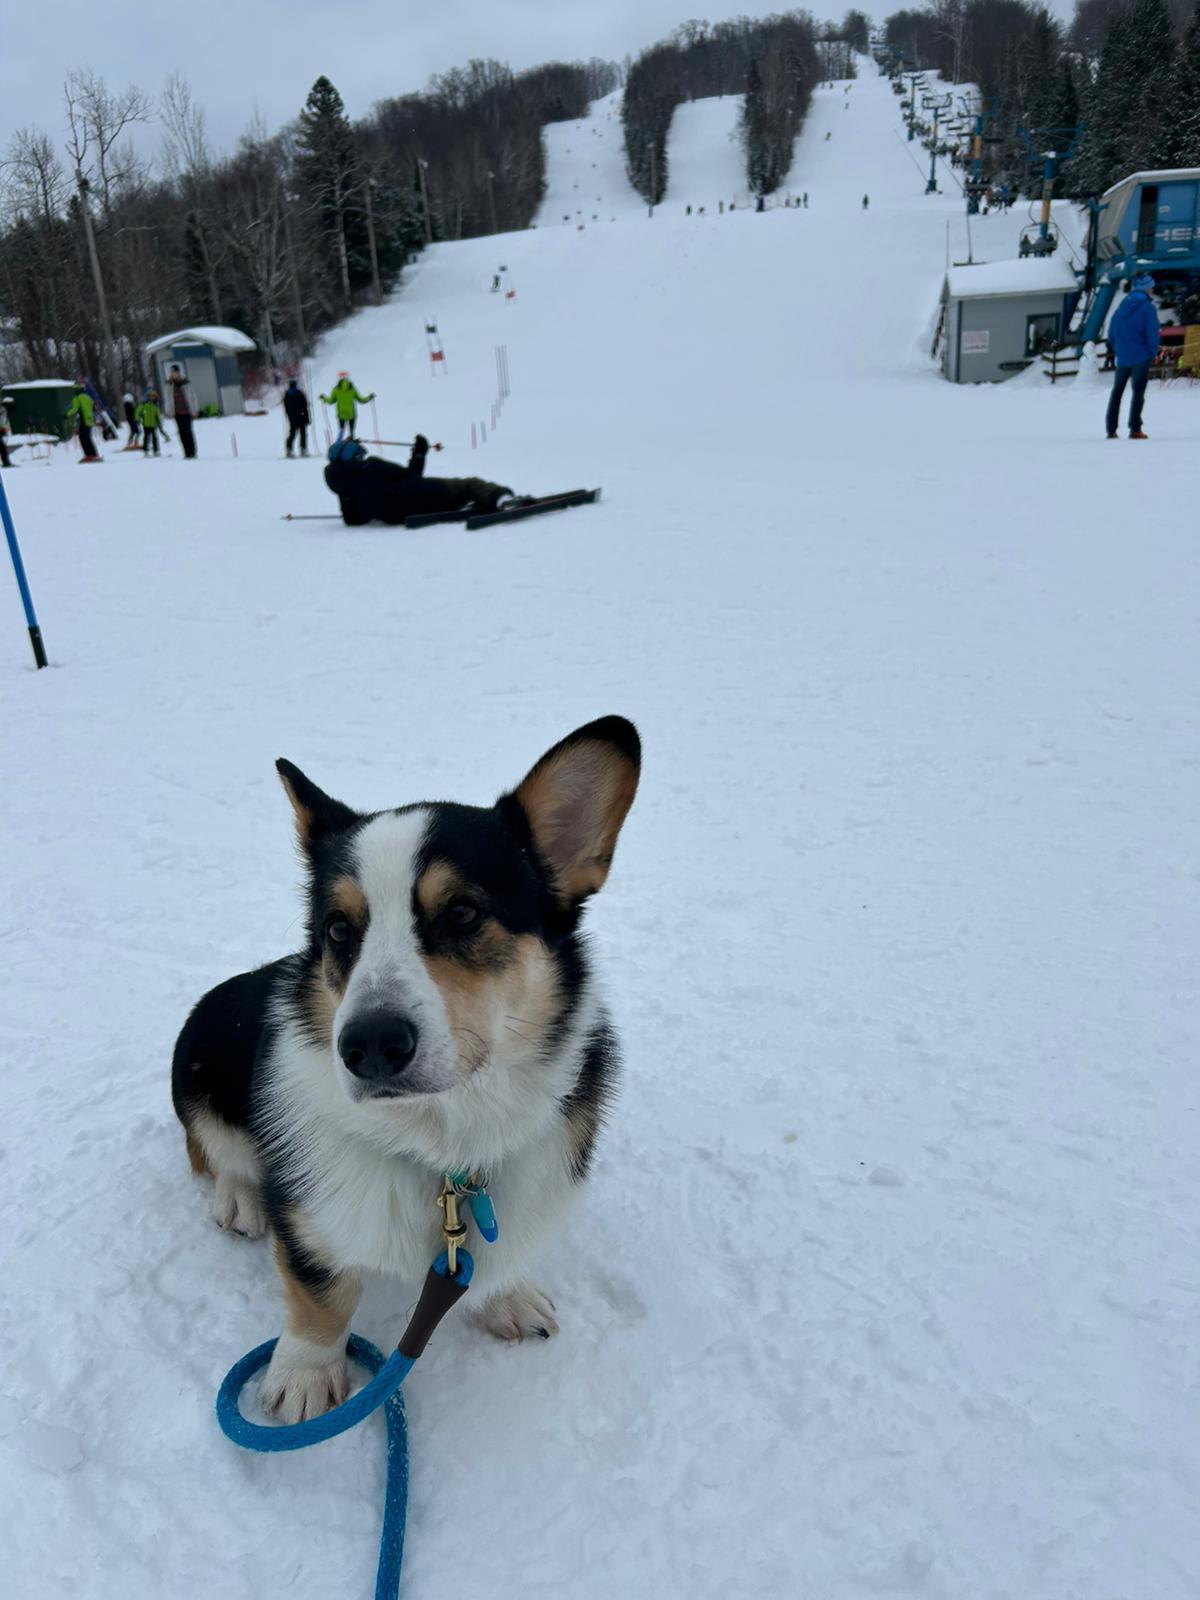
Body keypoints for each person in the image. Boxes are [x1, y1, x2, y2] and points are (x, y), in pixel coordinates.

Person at [323, 436, 512, 526]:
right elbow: (411, 475)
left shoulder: (344, 490)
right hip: (419, 494)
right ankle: (503, 499)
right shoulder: (371, 465)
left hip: (400, 514)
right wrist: (419, 453)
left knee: (459, 494)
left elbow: (353, 520)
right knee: (469, 484)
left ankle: (480, 500)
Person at [1105, 273, 1160, 440]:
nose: (1152, 289)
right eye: (1151, 287)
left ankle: (1111, 429)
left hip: (1123, 357)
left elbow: (1111, 333)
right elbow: (1152, 334)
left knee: (1117, 392)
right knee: (1138, 394)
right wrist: (1153, 352)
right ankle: (1135, 428)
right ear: (1146, 288)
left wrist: (1119, 349)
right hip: (1141, 357)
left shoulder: (1122, 307)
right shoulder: (1148, 308)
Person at [319, 372, 375, 441]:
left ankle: (338, 444)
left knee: (341, 430)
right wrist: (370, 397)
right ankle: (352, 443)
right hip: (352, 414)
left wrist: (324, 398)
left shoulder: (336, 390)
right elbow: (361, 400)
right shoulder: (352, 389)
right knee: (351, 431)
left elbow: (331, 401)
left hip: (341, 414)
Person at [167, 364, 197, 458]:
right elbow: (168, 399)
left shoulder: (185, 383)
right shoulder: (170, 385)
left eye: (174, 372)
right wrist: (169, 411)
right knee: (181, 433)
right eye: (171, 372)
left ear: (178, 373)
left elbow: (192, 396)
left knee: (188, 431)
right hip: (177, 412)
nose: (173, 374)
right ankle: (186, 452)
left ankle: (192, 451)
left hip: (186, 411)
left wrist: (195, 409)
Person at [66, 380, 99, 461]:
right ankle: (94, 454)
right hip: (90, 420)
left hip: (83, 421)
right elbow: (92, 407)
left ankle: (88, 455)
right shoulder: (88, 397)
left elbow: (75, 409)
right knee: (88, 438)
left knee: (83, 438)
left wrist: (67, 414)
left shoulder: (77, 398)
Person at [283, 379, 310, 457]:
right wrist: (307, 418)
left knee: (292, 434)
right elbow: (305, 407)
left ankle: (289, 449)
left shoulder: (287, 395)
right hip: (301, 417)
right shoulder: (300, 393)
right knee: (303, 434)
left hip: (292, 418)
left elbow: (286, 407)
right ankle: (303, 449)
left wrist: (288, 415)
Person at [137, 389, 168, 457]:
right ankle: (146, 450)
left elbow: (157, 414)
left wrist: (159, 422)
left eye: (154, 396)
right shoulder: (144, 404)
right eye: (152, 396)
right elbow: (138, 412)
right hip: (146, 424)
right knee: (146, 437)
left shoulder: (156, 405)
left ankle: (156, 450)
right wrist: (138, 419)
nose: (153, 398)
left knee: (154, 437)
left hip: (153, 424)